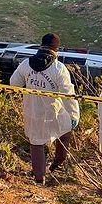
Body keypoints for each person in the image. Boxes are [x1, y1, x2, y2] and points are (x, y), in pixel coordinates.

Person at [10, 33, 80, 185]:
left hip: (32, 110)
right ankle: (57, 163)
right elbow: (68, 94)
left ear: (40, 46)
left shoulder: (26, 64)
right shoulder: (59, 68)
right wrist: (74, 115)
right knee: (65, 131)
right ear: (56, 49)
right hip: (54, 111)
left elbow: (13, 83)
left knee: (36, 143)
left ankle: (39, 178)